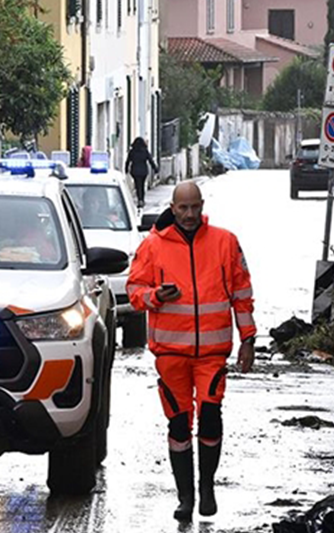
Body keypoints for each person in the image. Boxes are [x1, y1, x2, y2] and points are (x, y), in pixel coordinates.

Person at [126, 182, 256, 521]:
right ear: (172, 208)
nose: (189, 214)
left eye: (194, 207)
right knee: (179, 424)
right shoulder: (152, 246)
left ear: (202, 205)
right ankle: (185, 497)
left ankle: (207, 486)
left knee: (210, 416)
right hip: (170, 354)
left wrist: (248, 338)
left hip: (212, 353)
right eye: (183, 208)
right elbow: (134, 291)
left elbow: (242, 293)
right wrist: (156, 296)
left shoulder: (225, 242)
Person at [125, 137, 158, 208]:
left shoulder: (132, 151)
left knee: (138, 185)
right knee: (142, 185)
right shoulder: (145, 151)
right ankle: (142, 199)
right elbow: (150, 160)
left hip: (135, 171)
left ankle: (139, 199)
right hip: (143, 171)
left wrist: (126, 169)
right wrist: (155, 168)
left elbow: (128, 161)